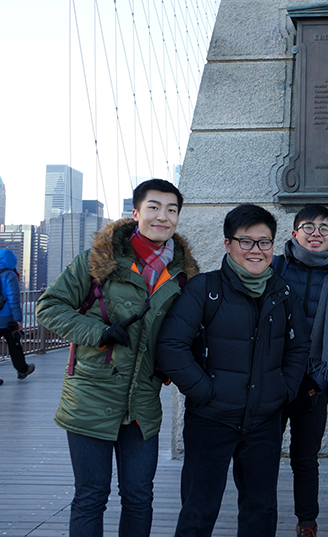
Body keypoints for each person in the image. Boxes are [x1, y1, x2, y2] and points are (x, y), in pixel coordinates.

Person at [36, 179, 198, 537]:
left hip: (142, 404)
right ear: (136, 213)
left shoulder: (184, 276)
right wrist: (97, 333)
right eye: (154, 207)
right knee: (91, 496)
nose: (163, 216)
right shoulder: (98, 262)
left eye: (172, 210)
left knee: (139, 496)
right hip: (91, 398)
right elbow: (48, 306)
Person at [156, 204, 311, 537]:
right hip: (211, 419)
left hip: (264, 420)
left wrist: (283, 390)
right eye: (247, 241)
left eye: (264, 242)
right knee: (199, 508)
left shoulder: (284, 293)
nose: (256, 250)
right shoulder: (205, 290)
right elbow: (171, 346)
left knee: (261, 509)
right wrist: (204, 391)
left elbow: (299, 348)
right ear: (228, 244)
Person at [272, 205, 328, 537]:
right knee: (263, 455)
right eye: (308, 226)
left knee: (305, 459)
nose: (315, 233)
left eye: (323, 228)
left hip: (313, 382)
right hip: (272, 378)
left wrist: (323, 380)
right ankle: (261, 517)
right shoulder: (273, 267)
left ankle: (307, 523)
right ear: (293, 234)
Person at [0, 249, 35, 385]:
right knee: (14, 345)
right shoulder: (9, 275)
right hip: (7, 319)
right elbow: (13, 299)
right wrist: (18, 320)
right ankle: (22, 370)